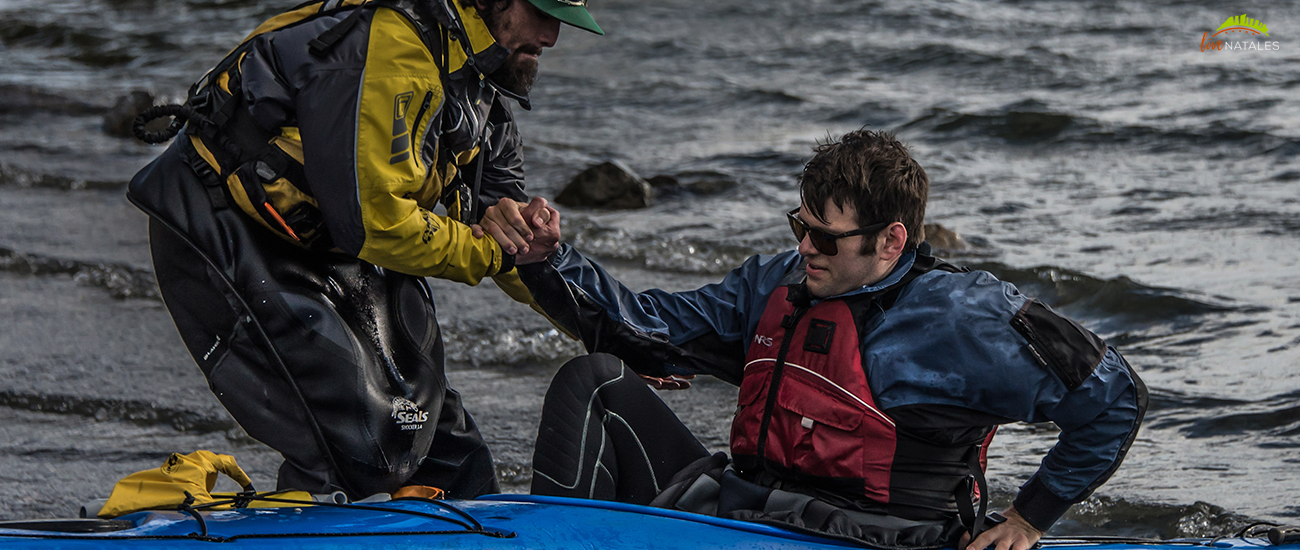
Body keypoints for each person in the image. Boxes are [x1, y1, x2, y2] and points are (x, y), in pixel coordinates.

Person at [502, 129, 1148, 550]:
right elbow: (641, 329)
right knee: (594, 382)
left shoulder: (965, 318)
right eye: (799, 225)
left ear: (891, 240)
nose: (803, 247)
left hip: (880, 535)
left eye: (825, 237)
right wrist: (546, 260)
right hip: (744, 509)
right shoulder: (772, 285)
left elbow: (1112, 397)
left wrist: (1030, 517)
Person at [126, 0, 602, 500]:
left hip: (329, 241)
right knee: (367, 450)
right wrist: (490, 254)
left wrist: (605, 329)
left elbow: (507, 241)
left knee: (450, 455)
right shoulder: (397, 48)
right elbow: (381, 225)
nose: (551, 37)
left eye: (563, 20)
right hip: (219, 221)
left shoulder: (477, 84)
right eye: (542, 14)